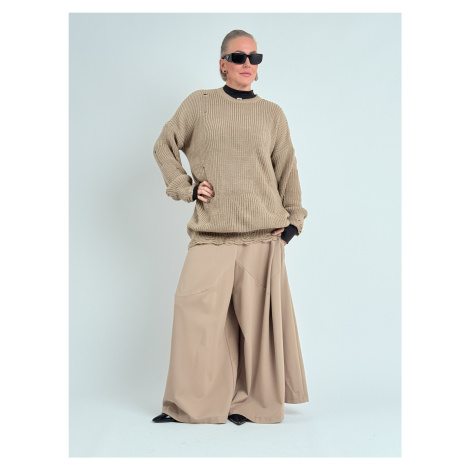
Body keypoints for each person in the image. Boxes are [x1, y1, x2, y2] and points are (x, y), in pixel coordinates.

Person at [151, 30, 309, 425]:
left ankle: (252, 405)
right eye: (239, 57)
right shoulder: (200, 104)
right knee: (194, 315)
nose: (247, 64)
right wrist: (186, 187)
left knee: (257, 330)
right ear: (223, 63)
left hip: (263, 236)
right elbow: (164, 145)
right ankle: (189, 405)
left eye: (255, 58)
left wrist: (294, 221)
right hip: (212, 235)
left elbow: (286, 168)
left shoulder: (272, 114)